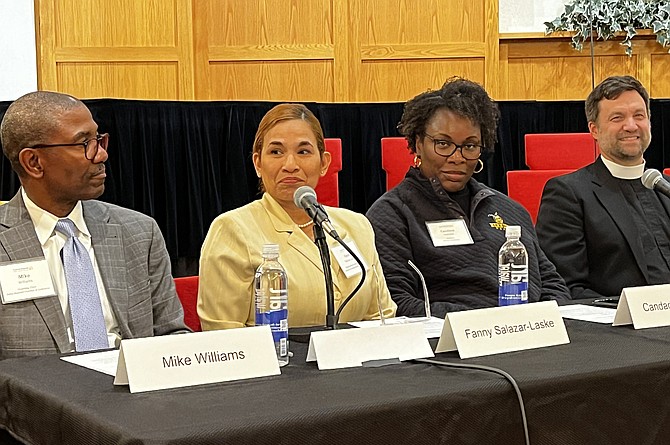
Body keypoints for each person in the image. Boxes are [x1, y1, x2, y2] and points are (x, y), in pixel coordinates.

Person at [0, 91, 189, 445]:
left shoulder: (139, 232)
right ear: (34, 162)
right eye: (84, 143)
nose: (100, 154)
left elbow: (172, 338)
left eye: (100, 140)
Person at [366, 77, 569, 317]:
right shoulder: (392, 214)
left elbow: (553, 285)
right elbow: (394, 302)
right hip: (448, 344)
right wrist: (481, 322)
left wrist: (540, 322)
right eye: (443, 144)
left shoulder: (510, 210)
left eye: (470, 146)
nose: (457, 157)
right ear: (418, 143)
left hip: (528, 336)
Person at [198, 103, 396, 329]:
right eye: (276, 152)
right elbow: (224, 334)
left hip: (358, 360)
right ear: (257, 164)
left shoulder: (356, 226)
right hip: (277, 362)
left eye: (303, 152)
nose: (290, 165)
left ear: (324, 163)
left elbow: (382, 317)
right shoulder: (232, 230)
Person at [536, 75, 670, 299]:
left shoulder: (665, 189)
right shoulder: (568, 193)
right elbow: (564, 286)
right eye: (617, 118)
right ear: (594, 129)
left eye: (639, 116)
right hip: (618, 328)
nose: (631, 126)